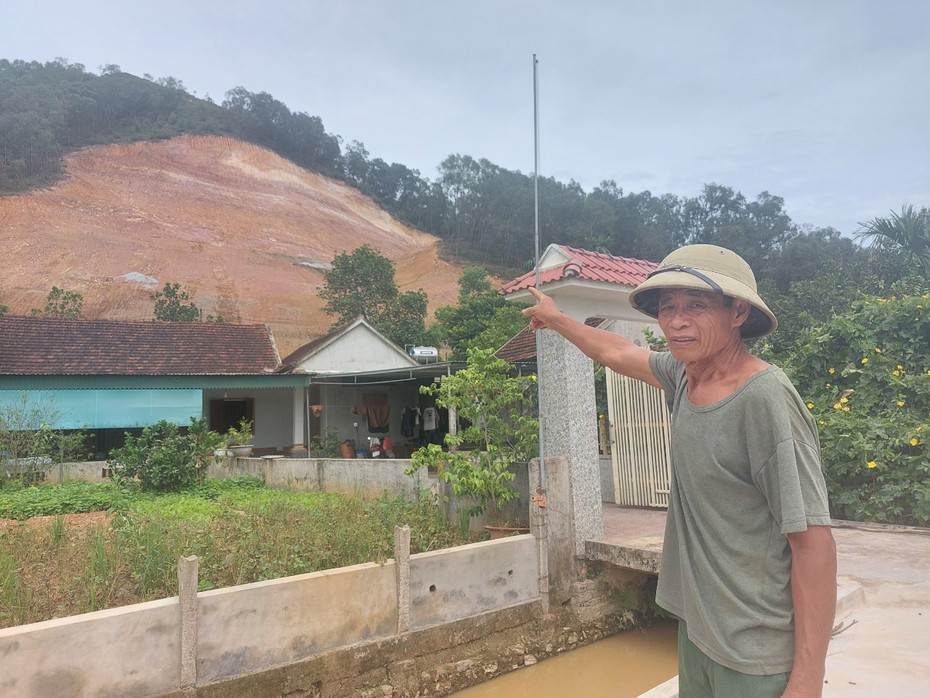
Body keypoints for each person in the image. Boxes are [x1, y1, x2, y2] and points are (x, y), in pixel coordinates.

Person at [522, 244, 836, 698]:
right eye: (668, 307)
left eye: (697, 306)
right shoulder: (685, 375)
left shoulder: (765, 399)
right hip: (697, 631)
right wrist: (556, 317)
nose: (676, 320)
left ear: (738, 312)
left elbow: (812, 541)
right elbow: (617, 351)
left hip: (754, 651)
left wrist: (807, 680)